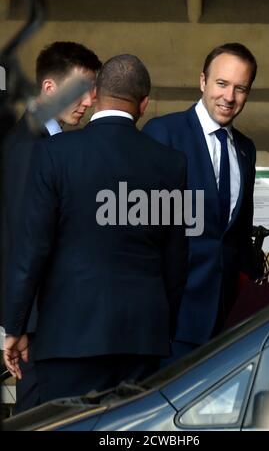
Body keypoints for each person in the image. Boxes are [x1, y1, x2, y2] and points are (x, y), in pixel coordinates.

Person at [3, 54, 188, 404]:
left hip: (68, 337)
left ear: (96, 94)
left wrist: (15, 326)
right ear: (144, 104)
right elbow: (177, 260)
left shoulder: (55, 153)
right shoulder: (172, 165)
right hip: (142, 339)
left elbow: (33, 249)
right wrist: (160, 325)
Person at [2, 41, 102, 413]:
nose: (89, 101)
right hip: (39, 327)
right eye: (82, 90)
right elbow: (20, 240)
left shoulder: (46, 142)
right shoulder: (30, 146)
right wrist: (21, 325)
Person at [143, 42, 257, 358]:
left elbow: (238, 236)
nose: (229, 97)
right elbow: (143, 232)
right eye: (221, 84)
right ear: (203, 81)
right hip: (173, 321)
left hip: (229, 323)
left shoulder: (246, 149)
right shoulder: (164, 133)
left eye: (240, 88)